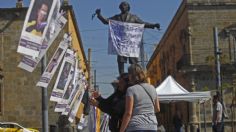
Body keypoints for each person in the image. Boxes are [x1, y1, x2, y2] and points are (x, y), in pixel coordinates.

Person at [95, 1, 160, 75]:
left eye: (125, 5)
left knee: (133, 62)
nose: (123, 6)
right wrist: (99, 15)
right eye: (122, 5)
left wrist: (153, 25)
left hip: (131, 43)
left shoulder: (133, 17)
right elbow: (106, 21)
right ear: (120, 8)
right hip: (121, 44)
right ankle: (121, 77)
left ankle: (135, 76)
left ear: (128, 7)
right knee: (120, 61)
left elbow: (143, 24)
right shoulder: (117, 17)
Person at [119, 64, 160, 132]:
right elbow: (157, 108)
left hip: (136, 126)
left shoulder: (131, 90)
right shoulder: (152, 88)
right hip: (152, 126)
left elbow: (128, 113)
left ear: (131, 76)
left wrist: (121, 130)